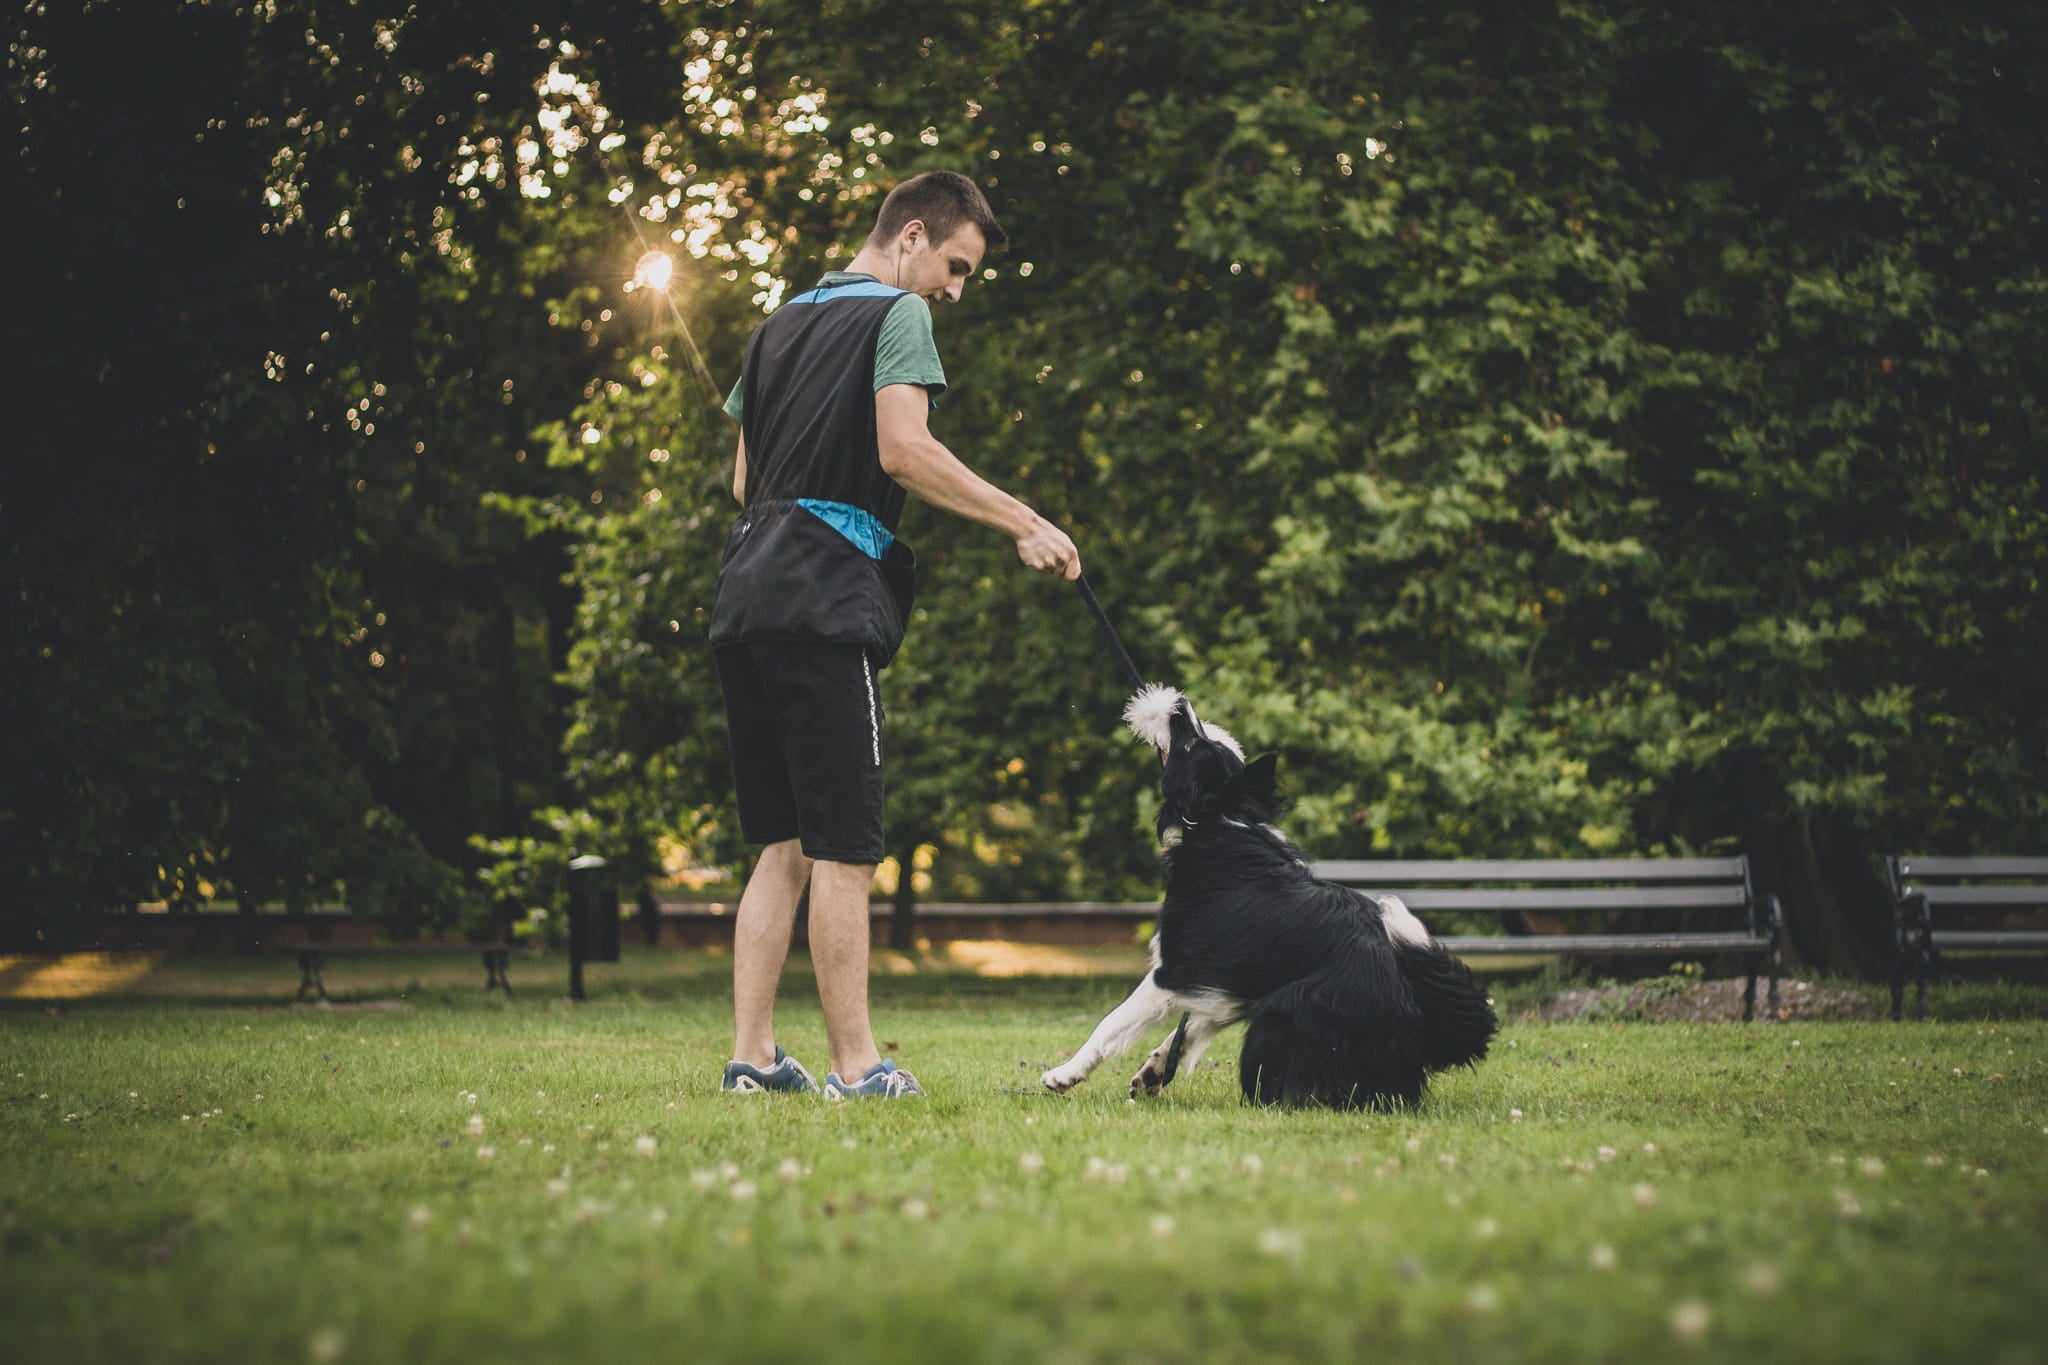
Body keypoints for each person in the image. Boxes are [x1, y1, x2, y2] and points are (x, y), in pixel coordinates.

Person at [708, 171, 1080, 1099]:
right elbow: (903, 450)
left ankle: (752, 1060)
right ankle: (857, 1068)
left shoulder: (776, 324)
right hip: (826, 605)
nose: (954, 290)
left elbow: (741, 477)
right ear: (911, 237)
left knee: (783, 843)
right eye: (955, 266)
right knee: (845, 847)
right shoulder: (896, 316)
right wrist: (1024, 520)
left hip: (747, 596)